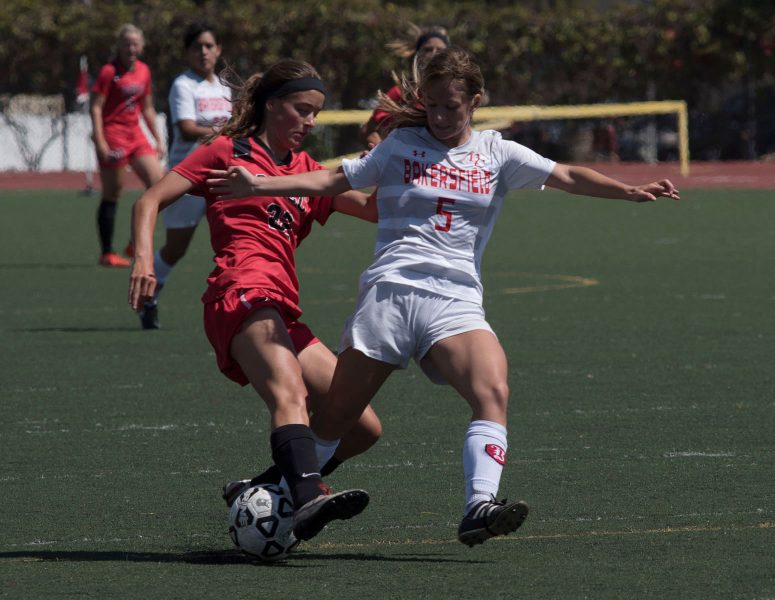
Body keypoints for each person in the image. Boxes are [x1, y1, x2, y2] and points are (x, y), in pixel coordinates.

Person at [206, 47, 680, 547]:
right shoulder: (400, 145)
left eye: (450, 106)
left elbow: (567, 175)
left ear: (474, 101)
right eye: (431, 105)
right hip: (391, 292)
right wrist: (260, 184)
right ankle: (267, 490)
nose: (439, 116)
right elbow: (335, 179)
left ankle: (479, 505)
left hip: (454, 300)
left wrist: (627, 191)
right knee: (338, 420)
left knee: (492, 390)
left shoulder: (499, 153)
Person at [128, 58, 381, 541]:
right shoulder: (226, 151)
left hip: (281, 308)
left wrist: (394, 157)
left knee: (362, 425)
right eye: (301, 109)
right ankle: (308, 499)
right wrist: (144, 260)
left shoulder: (308, 172)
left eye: (315, 114)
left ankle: (258, 487)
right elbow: (148, 200)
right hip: (237, 294)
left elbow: (374, 208)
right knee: (290, 396)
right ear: (271, 105)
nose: (309, 123)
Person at [138, 22, 232, 330]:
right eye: (197, 47)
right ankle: (149, 294)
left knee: (236, 240)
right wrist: (226, 131)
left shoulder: (224, 87)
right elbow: (187, 128)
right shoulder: (183, 85)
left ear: (218, 50)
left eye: (208, 45)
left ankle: (239, 305)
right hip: (188, 177)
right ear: (188, 53)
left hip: (222, 176)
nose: (203, 52)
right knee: (176, 248)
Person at [90, 24, 165, 267]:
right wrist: (100, 141)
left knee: (159, 184)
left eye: (135, 44)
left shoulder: (144, 71)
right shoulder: (108, 72)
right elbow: (96, 106)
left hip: (136, 135)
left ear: (141, 47)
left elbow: (147, 107)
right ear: (119, 47)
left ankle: (136, 241)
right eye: (126, 44)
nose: (131, 48)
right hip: (113, 135)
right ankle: (107, 252)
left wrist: (158, 138)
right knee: (113, 192)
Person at [359, 24, 449, 149]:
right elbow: (368, 131)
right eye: (428, 49)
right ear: (417, 55)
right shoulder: (401, 92)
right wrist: (387, 157)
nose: (433, 54)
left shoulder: (454, 92)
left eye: (440, 50)